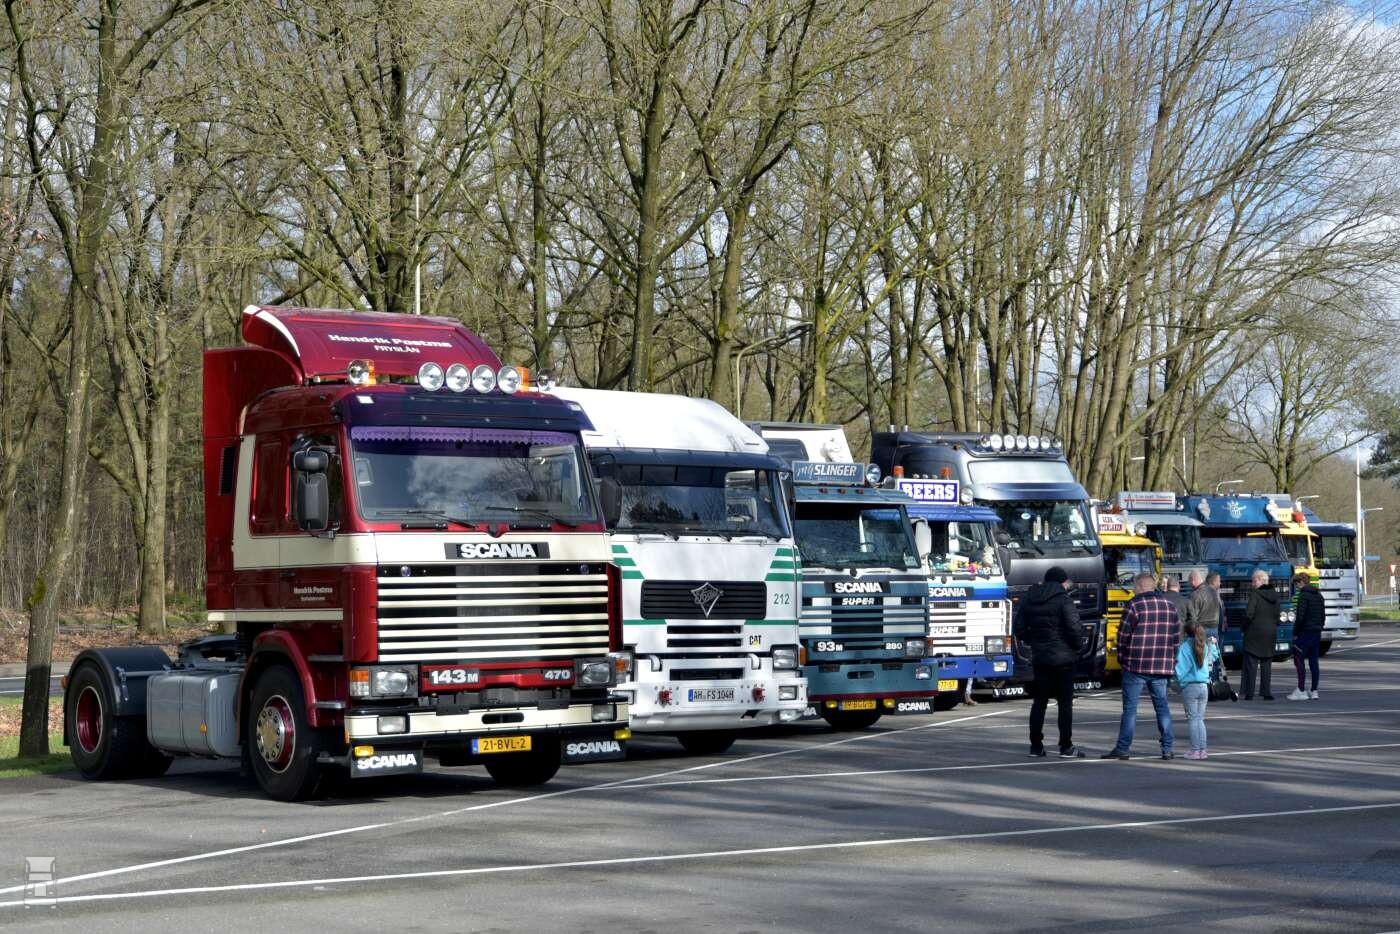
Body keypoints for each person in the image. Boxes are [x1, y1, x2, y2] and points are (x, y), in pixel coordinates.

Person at [1102, 572, 1179, 760]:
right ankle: (1167, 748)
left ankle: (1123, 748)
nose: (1133, 590)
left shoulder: (1134, 605)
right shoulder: (1169, 606)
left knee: (1130, 709)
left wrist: (1122, 658)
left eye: (1135, 586)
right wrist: (1171, 660)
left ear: (1142, 587)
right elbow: (1176, 638)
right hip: (1161, 665)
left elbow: (1122, 636)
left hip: (1136, 665)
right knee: (1162, 707)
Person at [1013, 566, 1086, 758]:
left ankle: (1036, 746)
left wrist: (1034, 641)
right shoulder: (1064, 599)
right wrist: (1077, 647)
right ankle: (1066, 746)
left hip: (1040, 657)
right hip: (1064, 658)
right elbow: (1074, 628)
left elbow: (1018, 627)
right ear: (1062, 581)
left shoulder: (1030, 597)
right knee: (1065, 704)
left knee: (1039, 702)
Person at [1175, 618, 1220, 759]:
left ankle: (1195, 750)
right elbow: (1213, 657)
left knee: (1193, 719)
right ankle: (1203, 750)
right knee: (1200, 719)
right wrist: (1213, 645)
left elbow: (1181, 669)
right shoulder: (1204, 645)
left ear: (1186, 633)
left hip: (1190, 686)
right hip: (1204, 686)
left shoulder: (1185, 647)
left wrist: (1175, 680)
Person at [1241, 569, 1280, 701]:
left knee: (1251, 664)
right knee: (1266, 664)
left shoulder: (1255, 594)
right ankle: (1266, 692)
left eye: (1254, 581)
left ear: (1261, 581)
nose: (1252, 584)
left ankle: (1249, 693)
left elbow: (1249, 614)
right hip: (1270, 633)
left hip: (1254, 633)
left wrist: (1243, 627)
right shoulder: (1275, 595)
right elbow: (1277, 615)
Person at [1289, 573, 1325, 701]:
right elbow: (1323, 615)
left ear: (1300, 582)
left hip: (1304, 633)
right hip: (1316, 633)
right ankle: (1314, 690)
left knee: (1299, 661)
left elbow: (1300, 617)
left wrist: (1295, 633)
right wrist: (1319, 627)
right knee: (1314, 662)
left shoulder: (1303, 596)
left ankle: (1301, 690)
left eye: (1296, 585)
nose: (1296, 588)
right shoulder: (1319, 595)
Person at [1184, 570, 1223, 643]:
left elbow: (1192, 617)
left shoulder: (1195, 595)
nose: (1189, 584)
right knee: (1212, 650)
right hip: (1214, 630)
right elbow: (1220, 611)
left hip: (1201, 630)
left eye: (1189, 581)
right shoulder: (1214, 592)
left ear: (1193, 580)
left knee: (1199, 650)